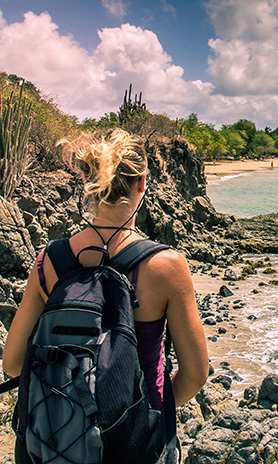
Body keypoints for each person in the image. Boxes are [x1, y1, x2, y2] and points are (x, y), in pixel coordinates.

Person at [3, 128, 209, 416]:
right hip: (136, 442)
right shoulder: (166, 266)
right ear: (143, 182)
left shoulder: (49, 260)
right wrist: (150, 416)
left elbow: (13, 363)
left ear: (87, 180)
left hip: (60, 440)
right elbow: (196, 374)